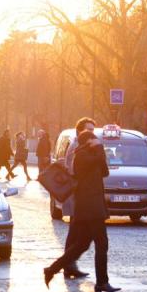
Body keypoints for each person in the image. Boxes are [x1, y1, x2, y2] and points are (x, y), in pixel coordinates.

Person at [44, 130, 120, 292]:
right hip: (89, 207)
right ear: (87, 142)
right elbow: (96, 162)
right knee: (102, 243)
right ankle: (102, 282)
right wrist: (99, 149)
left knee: (81, 245)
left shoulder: (92, 154)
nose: (97, 141)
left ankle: (51, 270)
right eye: (94, 139)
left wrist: (99, 151)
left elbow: (105, 172)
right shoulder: (81, 156)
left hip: (92, 207)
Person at [60, 117, 97, 279]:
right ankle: (67, 264)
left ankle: (69, 264)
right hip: (78, 195)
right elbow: (76, 170)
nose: (91, 133)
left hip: (80, 195)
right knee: (77, 232)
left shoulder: (80, 145)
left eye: (92, 130)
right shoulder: (77, 146)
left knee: (76, 231)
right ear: (79, 131)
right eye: (88, 130)